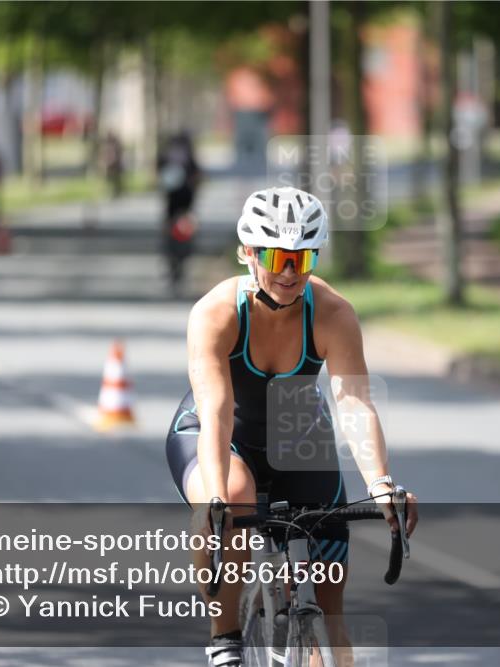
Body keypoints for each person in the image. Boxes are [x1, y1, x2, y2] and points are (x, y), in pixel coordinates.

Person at [165, 186, 418, 666]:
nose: (288, 272)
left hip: (298, 435)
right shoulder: (215, 313)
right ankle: (225, 641)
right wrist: (215, 501)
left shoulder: (332, 313)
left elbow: (353, 404)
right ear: (248, 253)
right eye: (278, 256)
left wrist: (382, 485)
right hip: (216, 432)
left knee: (333, 618)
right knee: (233, 496)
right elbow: (217, 408)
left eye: (301, 260)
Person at [156, 132, 201, 294]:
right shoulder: (186, 160)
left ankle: (176, 268)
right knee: (177, 241)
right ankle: (176, 268)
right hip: (179, 208)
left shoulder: (172, 158)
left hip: (178, 208)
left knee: (177, 241)